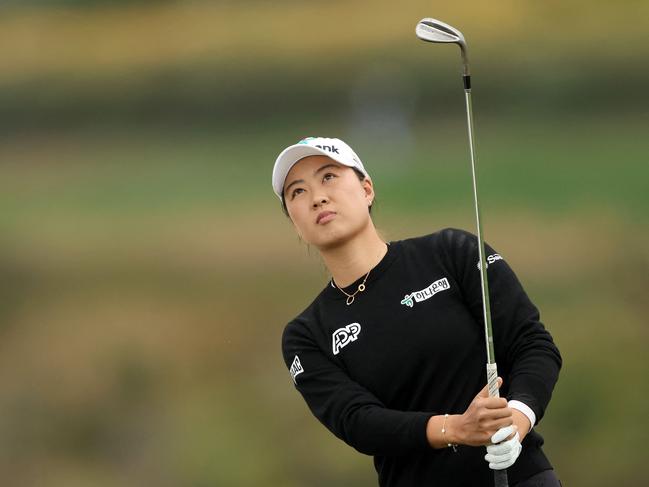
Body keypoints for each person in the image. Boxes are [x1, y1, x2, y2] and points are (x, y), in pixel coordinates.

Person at [273, 136, 562, 487]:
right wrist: (455, 428)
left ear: (367, 189)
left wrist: (517, 420)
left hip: (518, 477)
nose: (317, 197)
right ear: (294, 223)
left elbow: (532, 344)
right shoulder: (307, 335)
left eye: (329, 177)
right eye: (297, 192)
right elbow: (358, 422)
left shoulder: (451, 252)